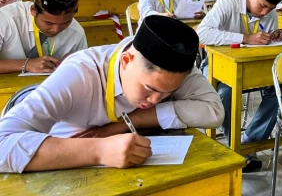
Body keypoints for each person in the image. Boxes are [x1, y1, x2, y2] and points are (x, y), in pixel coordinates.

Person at [0, 15, 224, 173]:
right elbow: (2, 144)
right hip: (65, 167)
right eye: (150, 89)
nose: (156, 100)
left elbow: (214, 111)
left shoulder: (174, 69)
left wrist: (130, 121)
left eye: (169, 93)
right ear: (126, 61)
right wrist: (100, 150)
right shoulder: (79, 74)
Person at [196, 0, 282, 172]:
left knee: (281, 91)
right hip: (217, 66)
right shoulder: (228, 2)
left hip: (250, 68)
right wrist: (245, 38)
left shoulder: (269, 12)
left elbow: (265, 42)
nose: (265, 12)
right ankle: (235, 145)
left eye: (270, 8)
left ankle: (248, 143)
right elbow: (201, 33)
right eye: (262, 6)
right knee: (225, 94)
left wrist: (275, 35)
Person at [0, 0, 86, 74]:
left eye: (65, 22)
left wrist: (75, 64)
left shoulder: (77, 33)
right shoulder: (6, 18)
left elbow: (85, 69)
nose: (56, 29)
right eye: (49, 23)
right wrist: (27, 64)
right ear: (33, 10)